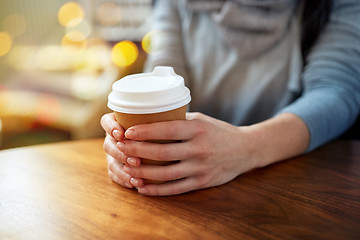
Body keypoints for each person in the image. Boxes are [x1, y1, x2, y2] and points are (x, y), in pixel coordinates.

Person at [101, 0, 360, 196]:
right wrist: (130, 147)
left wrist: (248, 147)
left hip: (299, 186)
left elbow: (336, 92)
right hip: (192, 191)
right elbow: (165, 73)